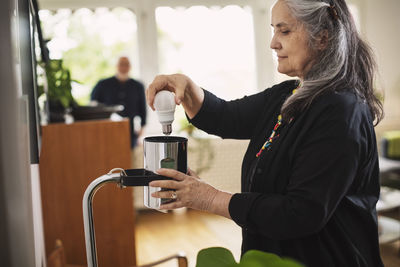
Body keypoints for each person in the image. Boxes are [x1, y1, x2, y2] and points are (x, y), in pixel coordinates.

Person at [146, 0, 384, 266]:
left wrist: (208, 198)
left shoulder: (341, 110)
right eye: (273, 30)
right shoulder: (289, 94)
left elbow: (299, 214)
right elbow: (225, 117)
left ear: (323, 38)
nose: (273, 43)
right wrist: (187, 88)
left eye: (284, 31)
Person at [91, 56, 146, 148]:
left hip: (130, 130)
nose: (124, 67)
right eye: (121, 64)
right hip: (107, 129)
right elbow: (93, 104)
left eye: (126, 64)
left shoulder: (138, 86)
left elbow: (143, 108)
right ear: (116, 66)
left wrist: (142, 126)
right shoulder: (102, 84)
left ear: (130, 67)